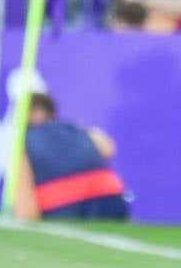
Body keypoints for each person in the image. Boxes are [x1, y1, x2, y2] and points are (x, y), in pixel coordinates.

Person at [13, 92, 128, 221]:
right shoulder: (79, 129)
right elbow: (108, 149)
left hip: (64, 207)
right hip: (110, 196)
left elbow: (24, 202)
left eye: (20, 112)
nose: (16, 120)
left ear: (39, 112)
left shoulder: (23, 143)